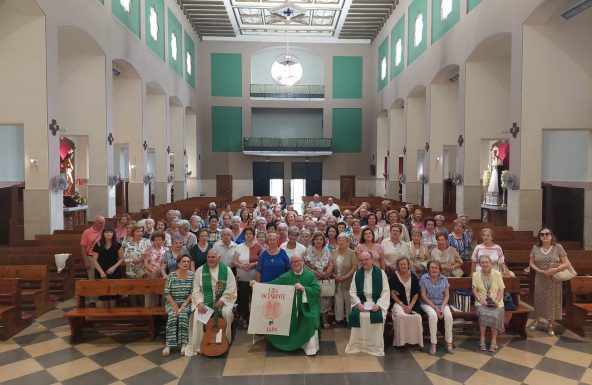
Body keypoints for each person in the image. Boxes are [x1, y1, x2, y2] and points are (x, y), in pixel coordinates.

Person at [258, 255, 321, 356]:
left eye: (298, 261)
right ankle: (289, 343)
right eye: (294, 262)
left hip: (307, 307)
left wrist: (304, 288)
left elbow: (317, 290)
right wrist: (257, 285)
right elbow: (272, 285)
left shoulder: (310, 275)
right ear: (291, 265)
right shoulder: (286, 276)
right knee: (280, 317)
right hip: (290, 307)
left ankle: (308, 347)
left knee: (310, 318)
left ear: (303, 262)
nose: (296, 263)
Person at [186, 249, 237, 356]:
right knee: (198, 314)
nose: (210, 259)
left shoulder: (226, 270)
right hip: (205, 301)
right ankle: (200, 344)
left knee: (227, 313)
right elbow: (196, 290)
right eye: (208, 257)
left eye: (213, 257)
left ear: (219, 258)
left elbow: (231, 288)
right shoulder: (200, 270)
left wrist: (223, 300)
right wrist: (199, 303)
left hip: (222, 301)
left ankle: (225, 341)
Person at [345, 251, 390, 356]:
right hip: (361, 303)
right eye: (361, 260)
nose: (364, 262)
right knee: (359, 316)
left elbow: (385, 292)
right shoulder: (357, 274)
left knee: (378, 317)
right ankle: (358, 345)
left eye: (366, 259)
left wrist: (378, 305)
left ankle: (374, 347)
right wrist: (357, 304)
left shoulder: (381, 273)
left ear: (372, 260)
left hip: (376, 303)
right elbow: (352, 291)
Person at [529, 227, 571, 336]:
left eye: (547, 234)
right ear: (540, 237)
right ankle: (537, 319)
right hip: (540, 277)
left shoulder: (558, 247)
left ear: (551, 236)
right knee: (539, 299)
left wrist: (555, 269)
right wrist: (538, 270)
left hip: (554, 278)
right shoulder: (535, 248)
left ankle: (551, 323)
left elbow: (566, 263)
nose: (545, 236)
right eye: (542, 234)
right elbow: (531, 262)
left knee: (552, 300)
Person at [420, 260, 454, 355]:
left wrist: (442, 307)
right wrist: (435, 308)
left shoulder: (444, 279)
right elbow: (423, 296)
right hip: (428, 304)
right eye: (432, 267)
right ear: (428, 269)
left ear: (439, 270)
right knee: (433, 316)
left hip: (442, 303)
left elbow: (447, 295)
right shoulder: (424, 278)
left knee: (449, 317)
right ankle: (433, 343)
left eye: (436, 268)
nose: (434, 270)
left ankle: (449, 342)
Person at [162, 254, 194, 357]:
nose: (186, 263)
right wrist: (175, 306)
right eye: (184, 261)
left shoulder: (192, 275)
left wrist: (183, 305)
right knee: (172, 315)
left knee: (183, 315)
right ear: (178, 263)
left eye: (188, 262)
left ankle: (184, 344)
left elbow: (192, 293)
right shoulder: (171, 275)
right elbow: (166, 292)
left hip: (186, 303)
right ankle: (168, 345)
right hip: (172, 303)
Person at [472, 255, 505, 352]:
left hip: (496, 302)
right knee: (483, 314)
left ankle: (493, 341)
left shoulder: (497, 274)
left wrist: (497, 301)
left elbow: (501, 289)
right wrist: (480, 299)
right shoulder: (475, 275)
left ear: (490, 263)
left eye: (487, 262)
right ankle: (482, 339)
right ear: (480, 264)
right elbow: (474, 289)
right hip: (482, 302)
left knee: (495, 315)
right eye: (483, 262)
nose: (485, 264)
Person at [389, 257, 423, 348]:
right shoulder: (393, 277)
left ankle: (414, 341)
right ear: (398, 266)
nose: (403, 266)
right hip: (398, 303)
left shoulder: (414, 276)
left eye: (405, 264)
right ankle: (401, 343)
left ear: (408, 265)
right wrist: (403, 306)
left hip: (412, 304)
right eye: (401, 264)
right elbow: (392, 293)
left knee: (417, 317)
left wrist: (411, 305)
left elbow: (416, 293)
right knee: (401, 316)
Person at [233, 227, 263, 327]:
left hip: (256, 278)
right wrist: (241, 266)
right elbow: (235, 261)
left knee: (255, 300)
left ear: (254, 235)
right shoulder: (239, 246)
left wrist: (253, 264)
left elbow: (262, 261)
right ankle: (246, 320)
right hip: (242, 278)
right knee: (244, 300)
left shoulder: (258, 246)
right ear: (244, 235)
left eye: (250, 233)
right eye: (246, 234)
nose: (248, 235)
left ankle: (256, 321)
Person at [304, 232, 334, 329]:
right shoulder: (308, 250)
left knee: (325, 299)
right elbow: (303, 264)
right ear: (313, 240)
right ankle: (314, 320)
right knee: (313, 299)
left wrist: (326, 272)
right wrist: (314, 272)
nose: (319, 241)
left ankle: (325, 320)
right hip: (312, 278)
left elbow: (331, 263)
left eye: (321, 239)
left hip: (325, 278)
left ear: (323, 241)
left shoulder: (327, 250)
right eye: (317, 239)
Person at [92, 225, 123, 308]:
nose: (109, 234)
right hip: (101, 271)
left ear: (113, 234)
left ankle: (112, 313)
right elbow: (94, 260)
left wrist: (113, 267)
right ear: (103, 234)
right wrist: (101, 272)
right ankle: (104, 314)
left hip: (114, 271)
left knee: (113, 294)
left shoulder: (117, 244)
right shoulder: (98, 244)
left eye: (110, 232)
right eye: (106, 232)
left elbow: (122, 259)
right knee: (103, 294)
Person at [331, 233, 357, 326]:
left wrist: (345, 277)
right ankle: (339, 319)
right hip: (336, 280)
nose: (341, 242)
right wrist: (334, 275)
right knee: (338, 300)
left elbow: (354, 267)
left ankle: (350, 320)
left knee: (349, 301)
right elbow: (330, 265)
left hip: (348, 280)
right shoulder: (334, 252)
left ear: (347, 242)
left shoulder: (352, 252)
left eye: (344, 240)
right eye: (340, 240)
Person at [80, 215, 106, 287]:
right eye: (101, 223)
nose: (103, 224)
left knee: (103, 276)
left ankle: (102, 296)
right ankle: (92, 297)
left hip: (103, 257)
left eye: (104, 223)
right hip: (91, 257)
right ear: (95, 223)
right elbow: (83, 247)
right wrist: (86, 261)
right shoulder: (87, 232)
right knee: (92, 278)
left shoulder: (105, 231)